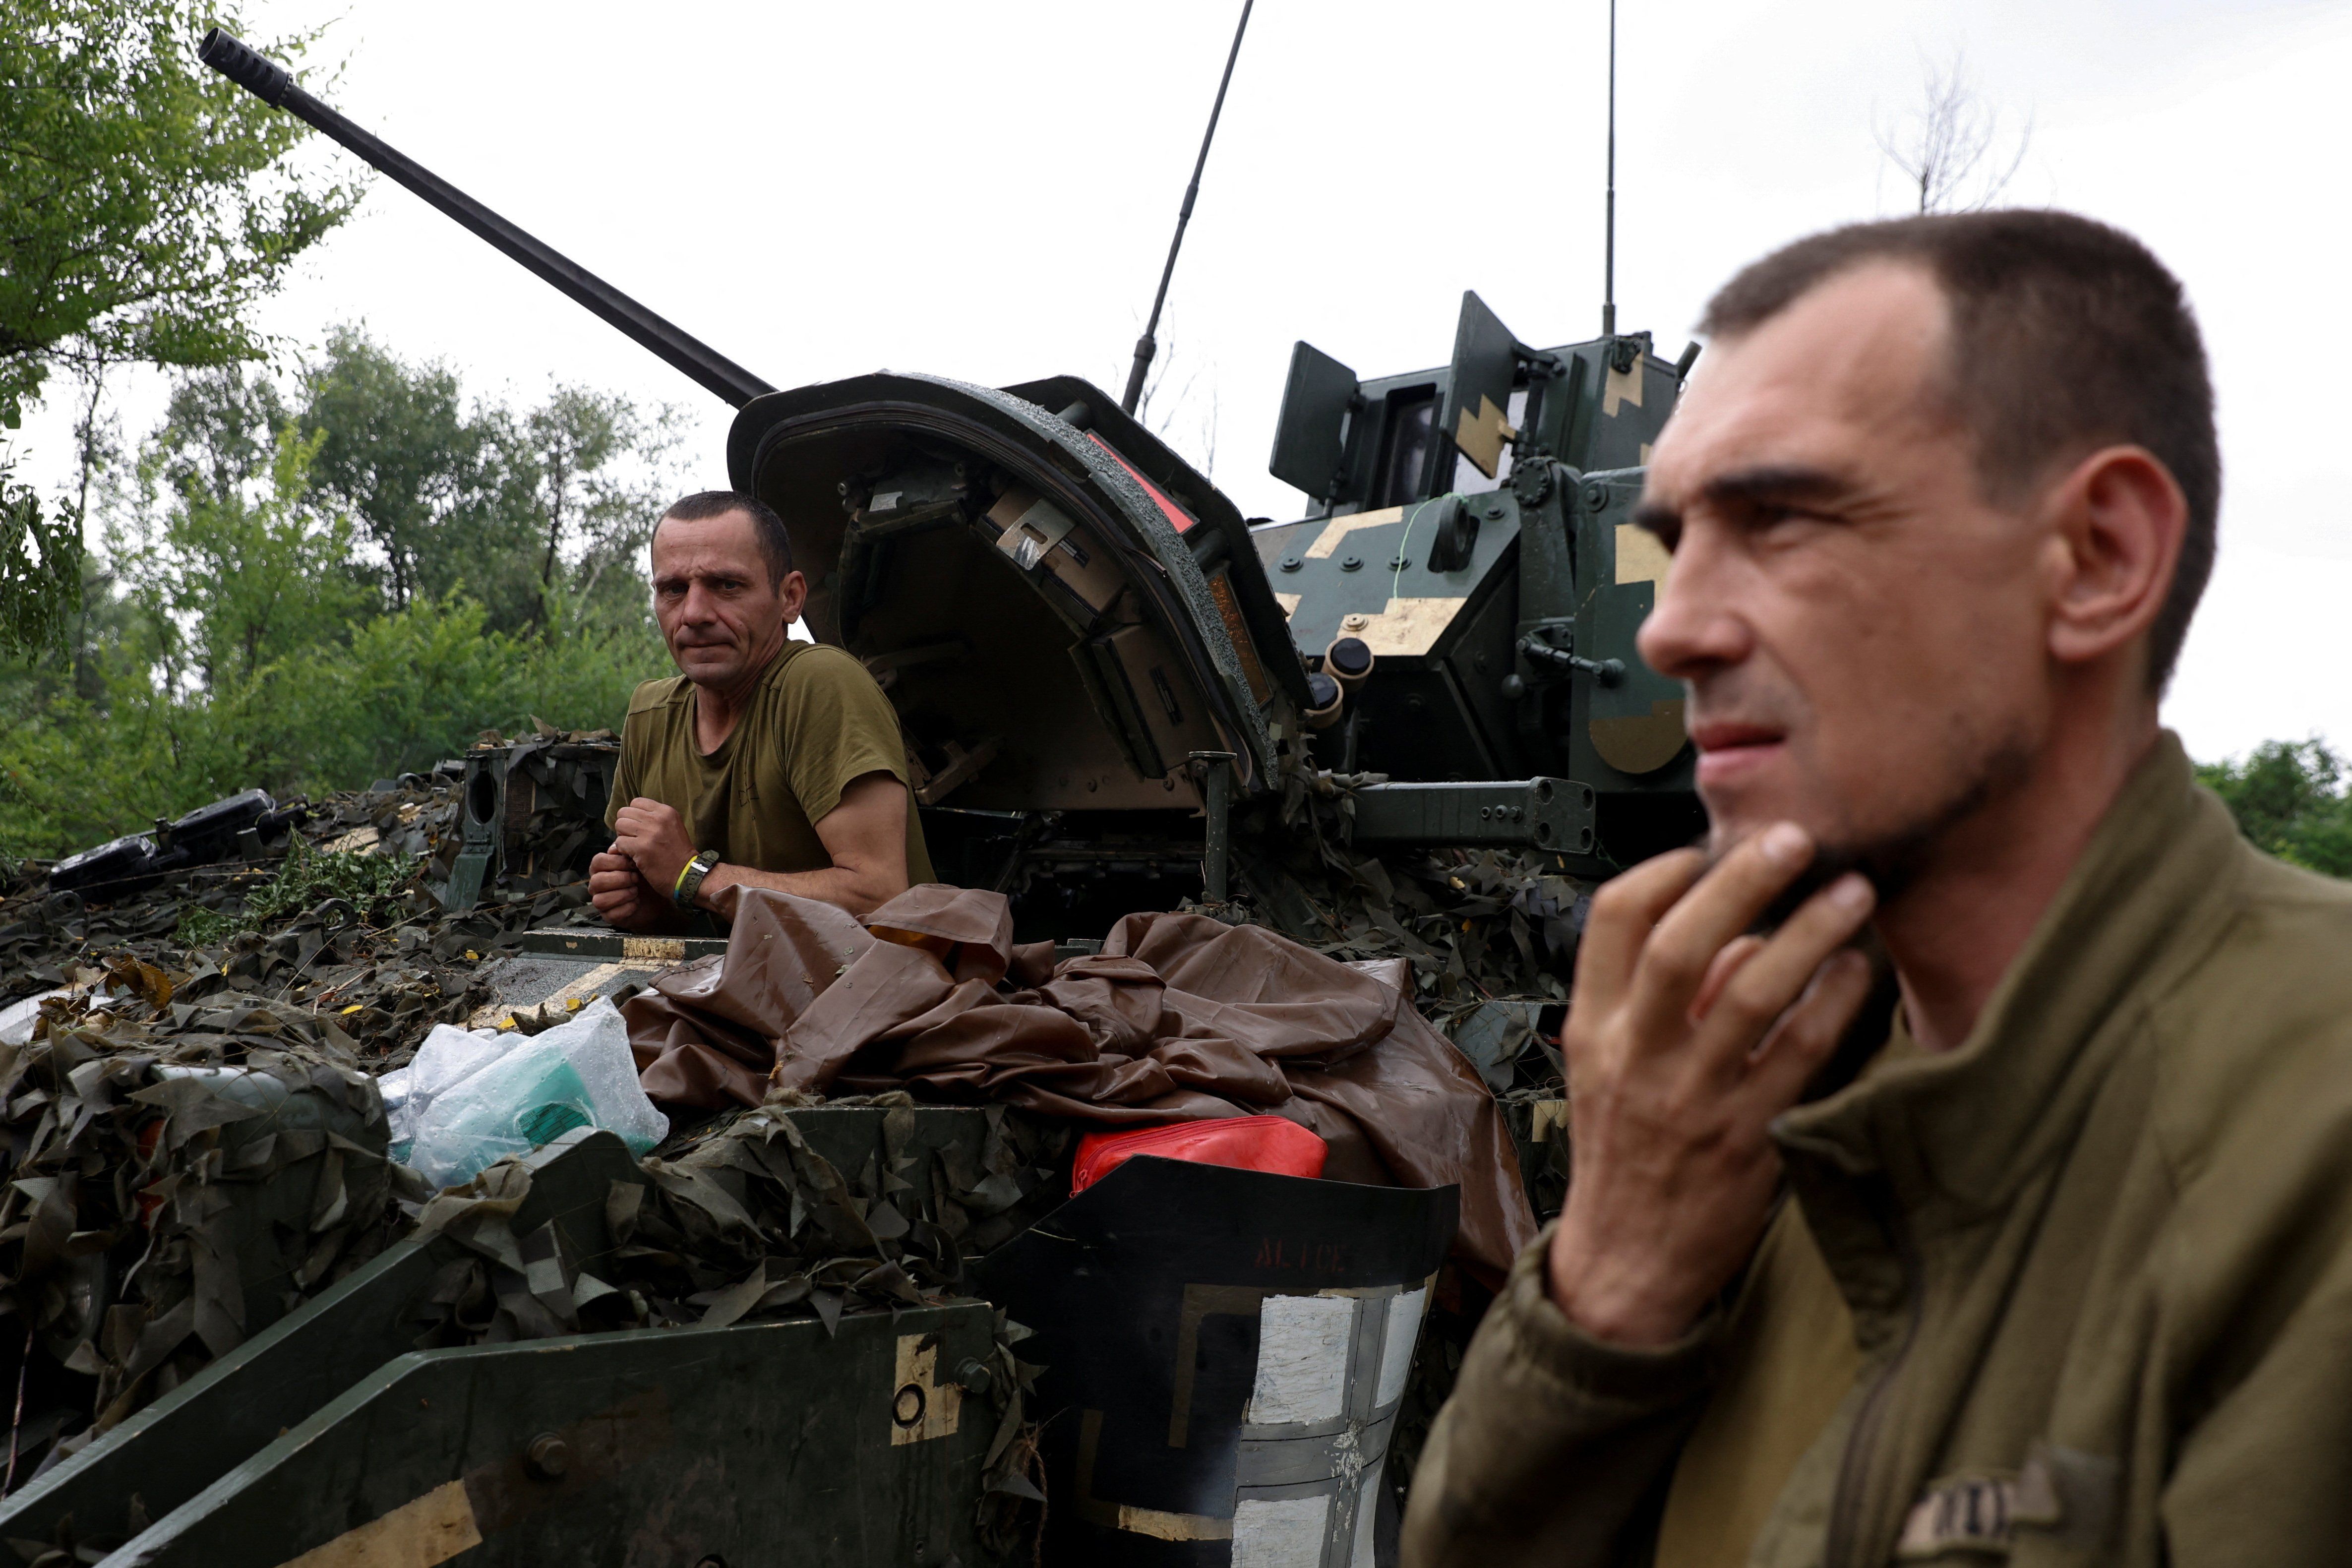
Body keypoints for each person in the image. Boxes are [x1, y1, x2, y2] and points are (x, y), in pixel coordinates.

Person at [1404, 210, 2352, 1567]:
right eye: (1675, 539)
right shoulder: (1739, 1130)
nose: (1669, 628)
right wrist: (1606, 1293)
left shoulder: (2303, 1141)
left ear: (2094, 557)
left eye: (1780, 517)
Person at [591, 489, 934, 929]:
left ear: (790, 598)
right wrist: (647, 902)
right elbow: (675, 894)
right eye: (673, 589)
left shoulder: (820, 683)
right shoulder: (650, 714)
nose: (694, 613)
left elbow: (880, 896)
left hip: (882, 987)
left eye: (726, 585)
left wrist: (693, 876)